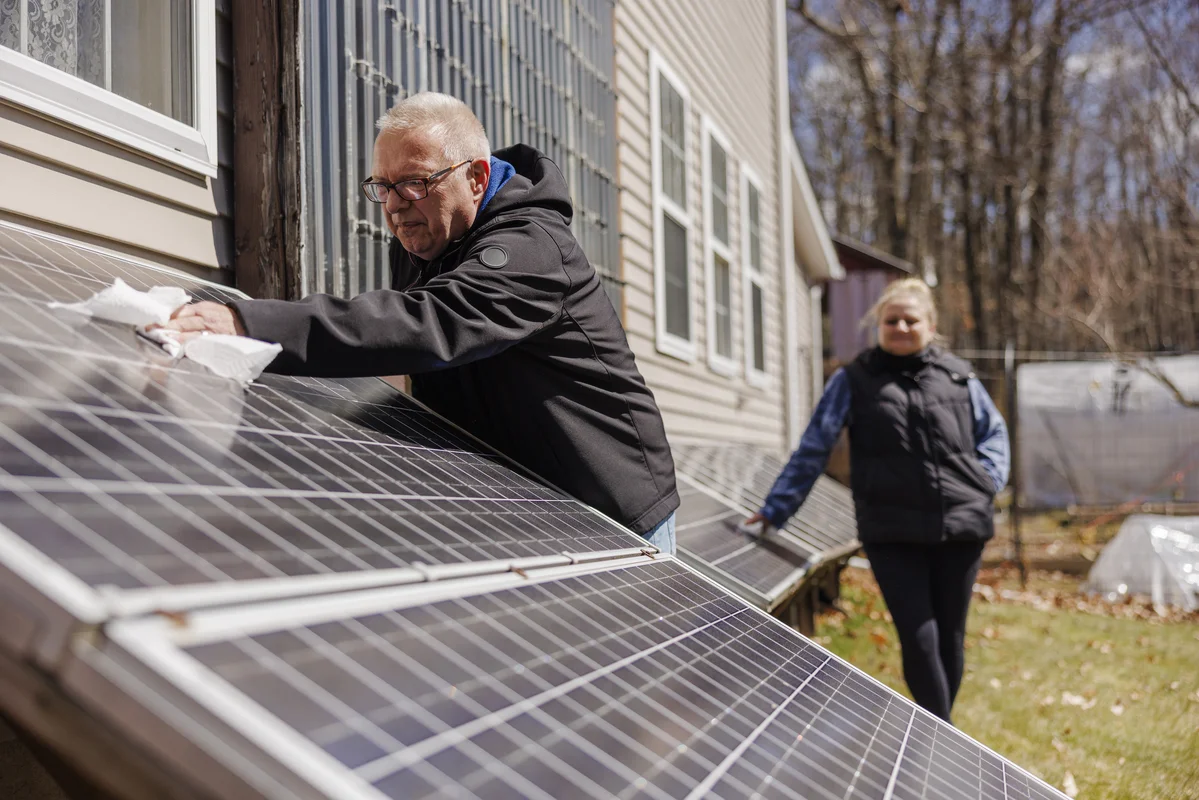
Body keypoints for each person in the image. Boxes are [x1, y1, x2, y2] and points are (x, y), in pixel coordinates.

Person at [159, 92, 679, 552]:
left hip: (612, 516)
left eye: (414, 182)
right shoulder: (428, 234)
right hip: (532, 509)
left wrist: (250, 322)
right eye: (381, 186)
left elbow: (430, 322)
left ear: (476, 178)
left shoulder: (531, 249)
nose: (393, 206)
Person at [742, 278, 1009, 722]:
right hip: (891, 530)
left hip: (960, 526)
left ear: (931, 325)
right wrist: (776, 510)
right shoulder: (853, 379)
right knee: (919, 638)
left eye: (911, 319)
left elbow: (994, 434)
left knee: (950, 638)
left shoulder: (960, 375)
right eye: (891, 320)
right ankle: (944, 739)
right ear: (877, 326)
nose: (901, 326)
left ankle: (939, 734)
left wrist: (987, 481)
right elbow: (814, 446)